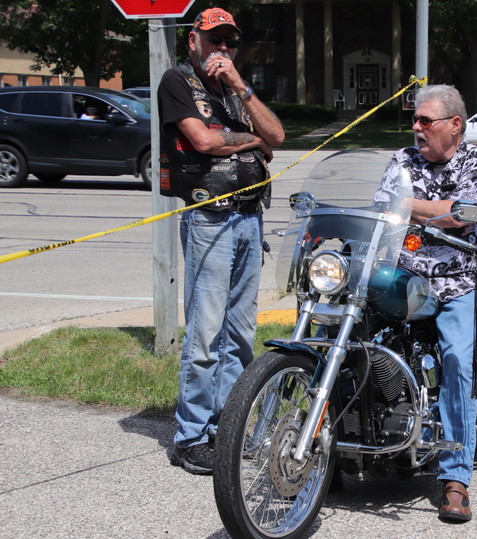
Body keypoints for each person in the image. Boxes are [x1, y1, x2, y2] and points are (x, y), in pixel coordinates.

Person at [157, 7, 285, 475]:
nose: (222, 49)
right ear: (194, 40)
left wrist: (239, 86)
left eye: (229, 42)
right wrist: (251, 143)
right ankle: (190, 436)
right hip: (209, 219)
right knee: (206, 337)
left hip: (249, 218)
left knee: (239, 335)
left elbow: (277, 134)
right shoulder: (178, 82)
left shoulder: (234, 90)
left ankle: (229, 428)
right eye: (214, 40)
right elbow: (203, 142)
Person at [375, 84, 477, 522]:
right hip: (401, 275)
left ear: (454, 125)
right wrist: (429, 208)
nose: (416, 128)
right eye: (414, 120)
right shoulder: (402, 159)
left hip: (460, 280)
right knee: (348, 334)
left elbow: (467, 212)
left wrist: (409, 205)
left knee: (456, 362)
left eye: (425, 121)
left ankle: (455, 477)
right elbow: (380, 207)